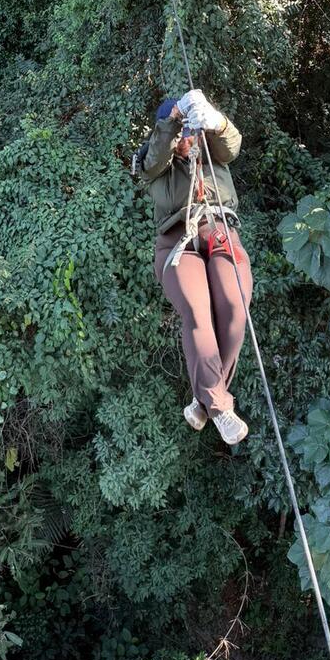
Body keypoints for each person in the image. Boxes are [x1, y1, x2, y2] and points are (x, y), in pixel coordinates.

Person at [133, 88, 253, 445]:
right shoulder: (154, 165)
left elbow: (231, 144)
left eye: (188, 130)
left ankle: (205, 401)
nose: (186, 138)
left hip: (219, 230)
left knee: (234, 307)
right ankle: (218, 406)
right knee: (198, 313)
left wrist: (215, 120)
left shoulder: (211, 152)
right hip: (176, 242)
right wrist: (171, 123)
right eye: (179, 132)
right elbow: (155, 156)